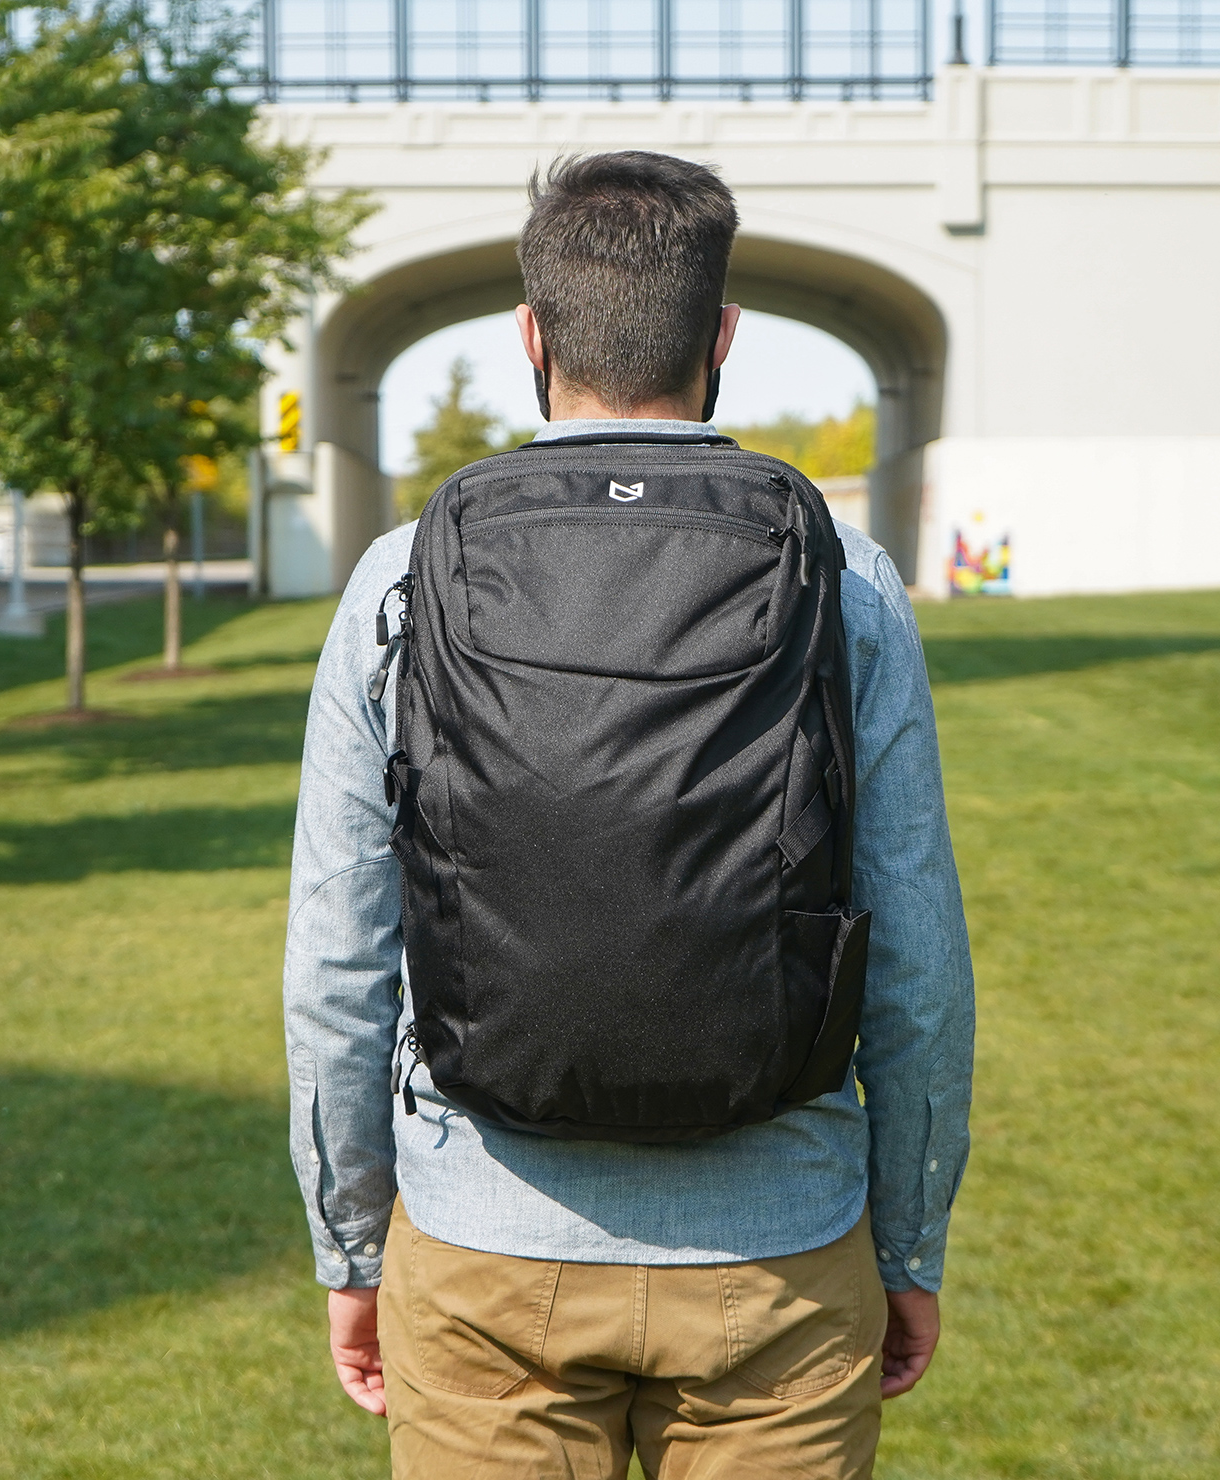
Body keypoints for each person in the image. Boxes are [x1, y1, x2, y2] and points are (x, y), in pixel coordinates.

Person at [283, 149, 974, 1479]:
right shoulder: (852, 579)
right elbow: (920, 965)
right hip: (777, 1254)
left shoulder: (397, 575)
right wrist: (908, 1243)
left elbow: (337, 962)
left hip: (484, 1252)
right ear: (723, 337)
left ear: (530, 337)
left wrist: (353, 1245)